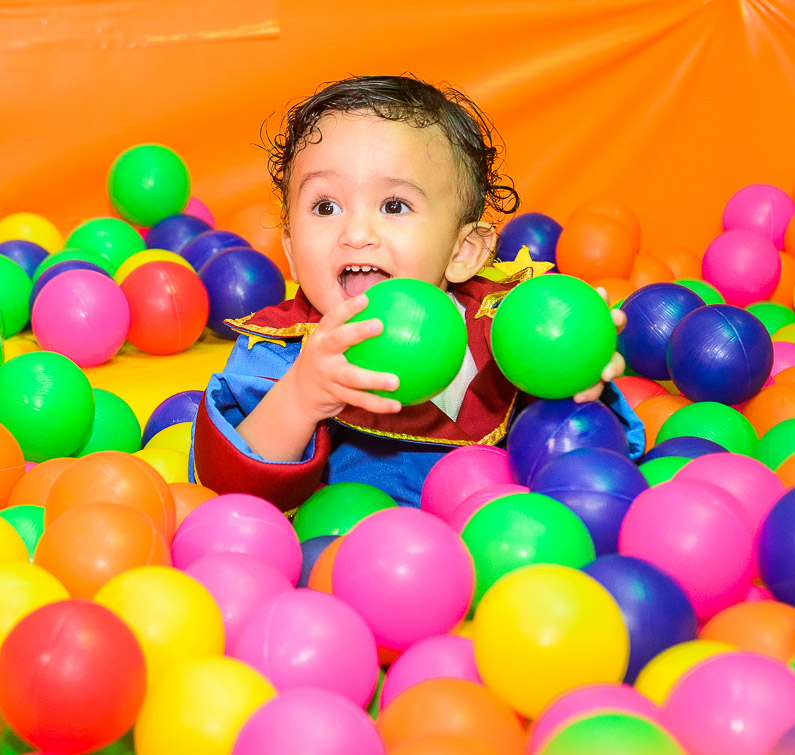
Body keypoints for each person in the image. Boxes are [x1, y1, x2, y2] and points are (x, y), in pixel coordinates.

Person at [192, 74, 642, 510]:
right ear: (290, 250)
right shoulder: (281, 350)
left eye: (394, 206)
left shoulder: (502, 328)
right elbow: (231, 493)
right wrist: (299, 397)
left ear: (463, 251)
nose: (356, 232)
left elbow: (580, 459)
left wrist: (574, 374)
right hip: (343, 558)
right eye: (325, 206)